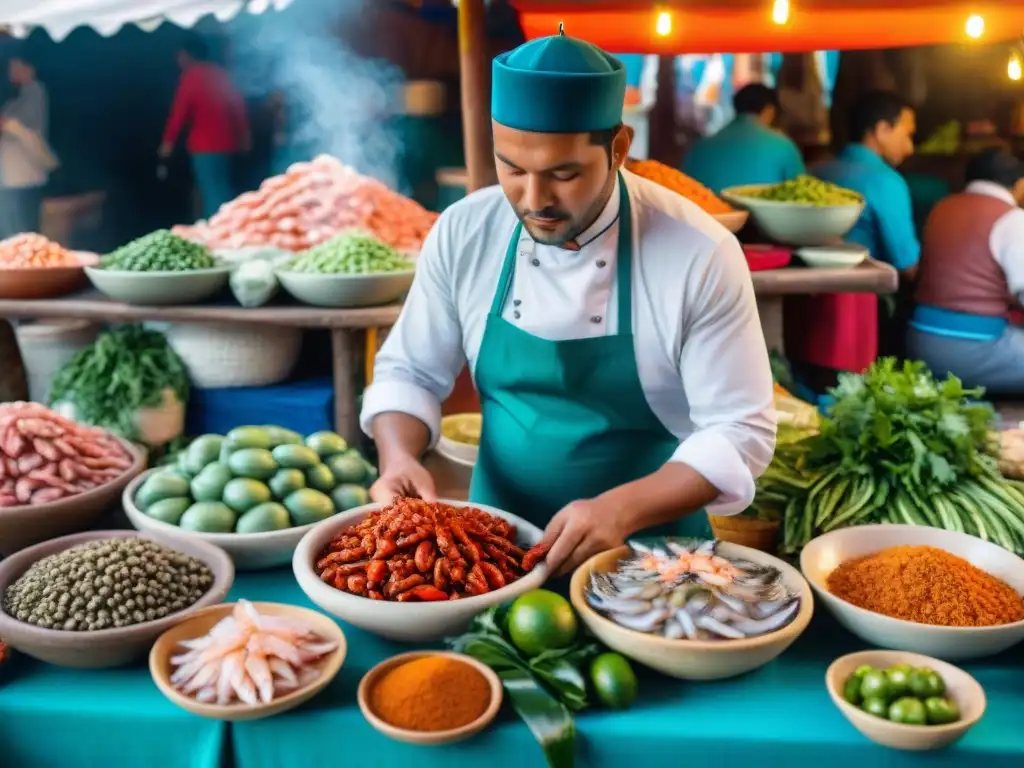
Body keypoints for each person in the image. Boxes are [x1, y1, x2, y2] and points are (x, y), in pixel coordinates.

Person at [361, 29, 776, 577]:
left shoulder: (698, 251)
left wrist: (619, 510)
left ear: (619, 149)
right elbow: (409, 371)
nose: (534, 202)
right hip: (489, 548)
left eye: (563, 174)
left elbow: (739, 431)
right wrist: (399, 458)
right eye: (512, 169)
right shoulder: (464, 231)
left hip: (652, 557)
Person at [785, 90, 919, 387]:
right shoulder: (885, 181)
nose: (909, 147)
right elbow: (908, 265)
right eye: (906, 134)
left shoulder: (815, 171)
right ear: (882, 130)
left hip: (801, 306)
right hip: (861, 311)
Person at [907, 148, 1024, 393]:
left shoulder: (941, 208)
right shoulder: (1012, 219)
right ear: (1020, 184)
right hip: (973, 351)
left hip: (920, 344)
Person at [160, 36, 250, 219]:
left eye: (180, 56)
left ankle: (220, 231)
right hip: (227, 142)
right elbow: (238, 106)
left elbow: (179, 113)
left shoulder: (191, 77)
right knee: (223, 186)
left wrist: (167, 143)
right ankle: (233, 223)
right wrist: (244, 136)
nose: (178, 60)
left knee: (211, 192)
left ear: (187, 55)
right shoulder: (220, 74)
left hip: (204, 147)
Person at [682, 83, 805, 195]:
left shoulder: (700, 147)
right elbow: (802, 193)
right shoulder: (783, 146)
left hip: (707, 217)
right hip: (762, 219)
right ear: (769, 110)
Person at [0, 54, 57, 237]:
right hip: (10, 176)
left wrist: (7, 124)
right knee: (10, 226)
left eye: (15, 67)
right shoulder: (16, 100)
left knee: (21, 230)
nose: (11, 72)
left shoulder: (36, 91)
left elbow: (28, 128)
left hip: (24, 175)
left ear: (29, 68)